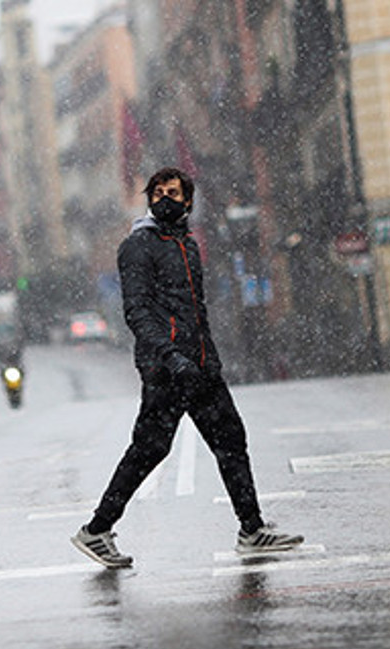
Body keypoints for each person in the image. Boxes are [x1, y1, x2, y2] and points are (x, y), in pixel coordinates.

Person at [72, 167, 303, 568]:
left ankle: (252, 530)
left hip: (198, 367)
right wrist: (170, 357)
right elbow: (138, 312)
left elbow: (194, 312)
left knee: (230, 438)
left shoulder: (186, 244)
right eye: (158, 192)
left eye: (173, 192)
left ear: (188, 201)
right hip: (167, 369)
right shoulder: (138, 246)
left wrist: (206, 358)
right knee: (150, 447)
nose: (164, 198)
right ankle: (96, 530)